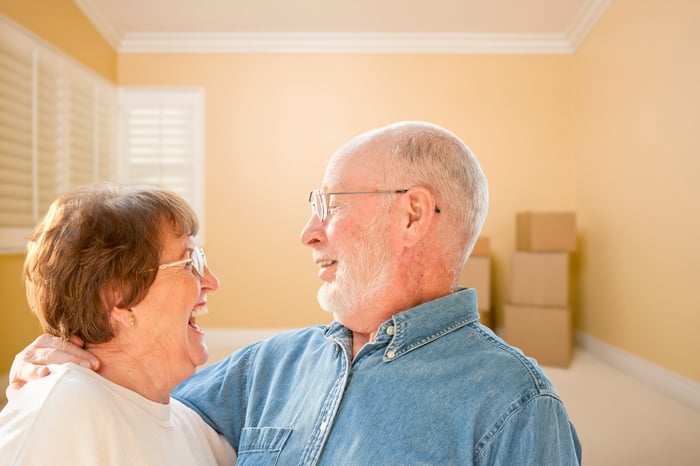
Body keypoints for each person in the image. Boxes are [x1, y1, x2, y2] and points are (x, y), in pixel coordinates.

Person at [9, 121, 582, 464]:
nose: (307, 232)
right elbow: (141, 413)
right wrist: (63, 360)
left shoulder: (517, 408)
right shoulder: (268, 368)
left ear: (412, 215)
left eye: (328, 205)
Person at [0, 183, 236, 465]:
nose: (212, 282)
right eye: (189, 262)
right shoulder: (63, 410)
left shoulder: (192, 426)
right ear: (119, 297)